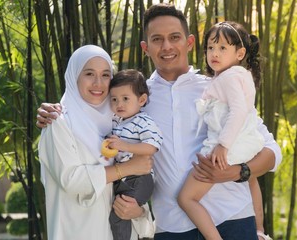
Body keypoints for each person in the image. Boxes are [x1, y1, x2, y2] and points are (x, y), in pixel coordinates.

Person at [37, 4, 282, 240]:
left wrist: (238, 172)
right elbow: (90, 109)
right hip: (171, 228)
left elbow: (271, 151)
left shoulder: (218, 87)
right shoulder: (135, 98)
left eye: (175, 37)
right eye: (157, 39)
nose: (167, 46)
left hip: (233, 219)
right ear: (145, 47)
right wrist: (56, 112)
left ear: (190, 42)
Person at [38, 45, 154, 240]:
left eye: (106, 75)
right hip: (78, 232)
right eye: (89, 74)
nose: (98, 83)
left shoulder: (122, 121)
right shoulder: (59, 123)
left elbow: (138, 183)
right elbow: (73, 180)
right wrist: (126, 168)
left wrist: (140, 214)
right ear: (74, 76)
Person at [177, 21, 271, 240]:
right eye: (210, 47)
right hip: (244, 145)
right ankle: (259, 231)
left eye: (222, 48)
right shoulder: (241, 75)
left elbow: (238, 110)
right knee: (251, 180)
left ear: (240, 53)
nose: (214, 53)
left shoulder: (229, 77)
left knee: (186, 198)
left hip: (228, 148)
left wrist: (223, 145)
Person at [105, 69, 163, 240]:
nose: (119, 104)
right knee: (118, 212)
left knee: (119, 215)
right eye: (114, 99)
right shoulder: (116, 120)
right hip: (124, 176)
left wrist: (125, 146)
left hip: (140, 178)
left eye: (125, 98)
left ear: (142, 100)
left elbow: (152, 147)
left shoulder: (143, 121)